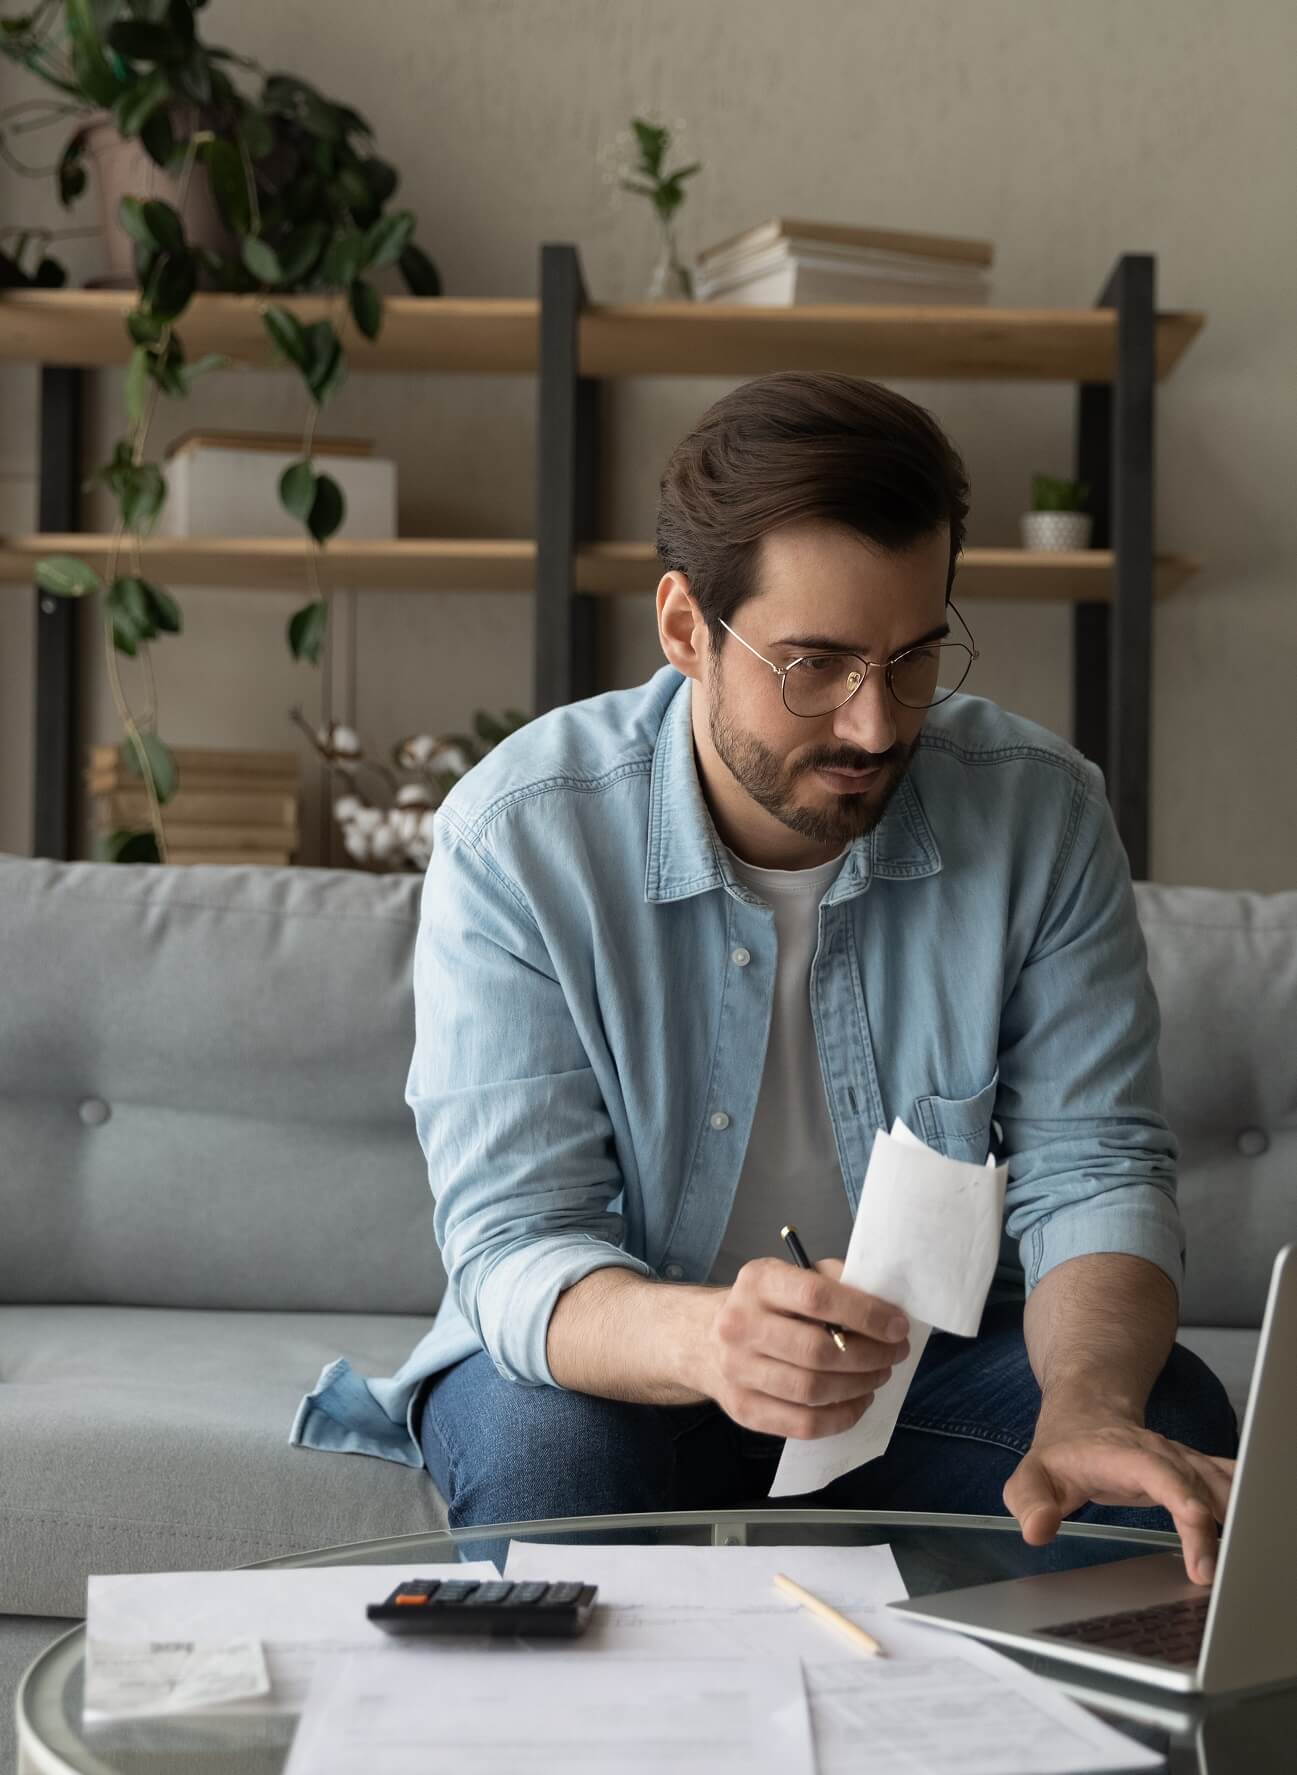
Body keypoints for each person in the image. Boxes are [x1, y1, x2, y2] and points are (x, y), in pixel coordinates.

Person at [290, 370, 1237, 1580]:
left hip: (929, 1366)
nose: (876, 724)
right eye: (814, 663)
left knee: (1168, 1440)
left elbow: (1092, 1167)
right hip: (615, 1364)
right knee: (551, 1464)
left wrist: (1090, 1405)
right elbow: (517, 1244)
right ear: (685, 627)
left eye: (911, 658)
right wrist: (710, 1338)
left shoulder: (1040, 813)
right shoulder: (520, 837)